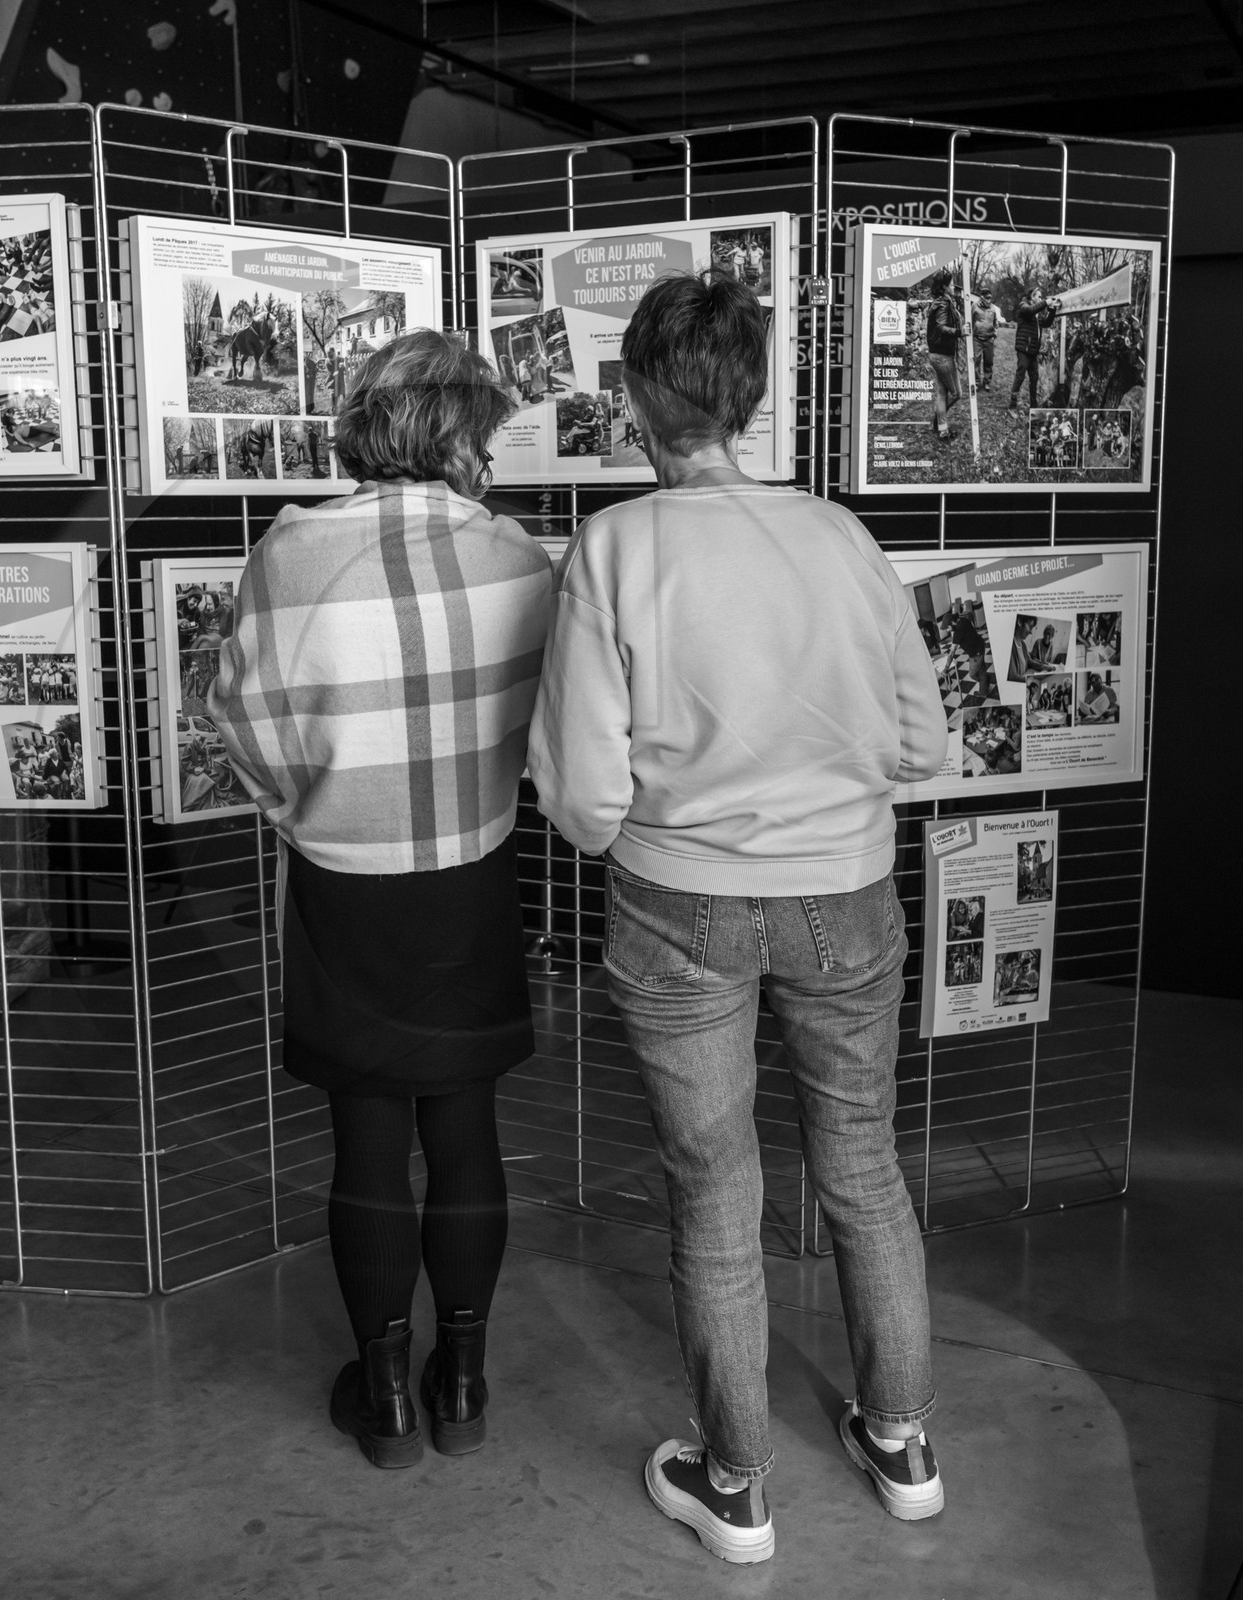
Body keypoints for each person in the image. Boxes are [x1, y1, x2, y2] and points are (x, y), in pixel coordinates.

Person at [527, 269, 949, 1565]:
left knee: (714, 1191)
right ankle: (902, 1444)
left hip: (677, 905)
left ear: (634, 399)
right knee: (862, 1164)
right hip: (847, 893)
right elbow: (922, 742)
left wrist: (666, 819)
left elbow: (582, 797)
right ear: (754, 396)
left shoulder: (614, 547)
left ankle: (738, 1487)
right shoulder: (841, 536)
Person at [207, 329, 552, 1471]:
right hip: (472, 870)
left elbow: (240, 721)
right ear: (464, 435)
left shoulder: (289, 552)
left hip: (343, 880)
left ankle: (388, 1395)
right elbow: (547, 718)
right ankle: (464, 1380)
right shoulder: (519, 555)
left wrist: (304, 806)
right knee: (465, 1128)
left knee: (364, 1139)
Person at [924, 270, 965, 440]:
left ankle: (942, 429)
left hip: (937, 354)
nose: (953, 286)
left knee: (942, 393)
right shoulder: (943, 304)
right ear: (944, 287)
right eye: (951, 284)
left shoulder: (941, 302)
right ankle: (938, 421)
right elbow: (941, 327)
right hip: (942, 356)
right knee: (956, 393)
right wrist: (959, 332)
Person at [1009, 285, 1058, 414]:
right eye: (1039, 297)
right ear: (1033, 296)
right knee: (1020, 376)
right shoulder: (1024, 306)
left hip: (1033, 351)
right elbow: (1030, 310)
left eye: (1042, 298)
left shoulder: (1037, 313)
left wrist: (1052, 310)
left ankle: (1034, 407)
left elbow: (1046, 323)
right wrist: (1045, 302)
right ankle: (1012, 406)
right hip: (1023, 349)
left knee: (1034, 378)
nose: (1041, 299)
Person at [969, 291, 1006, 391]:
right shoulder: (974, 306)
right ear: (981, 298)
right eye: (987, 298)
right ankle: (976, 382)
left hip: (989, 339)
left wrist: (995, 333)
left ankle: (986, 382)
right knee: (976, 361)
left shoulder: (993, 308)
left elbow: (995, 322)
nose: (989, 300)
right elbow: (970, 320)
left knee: (988, 361)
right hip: (977, 339)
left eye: (990, 298)